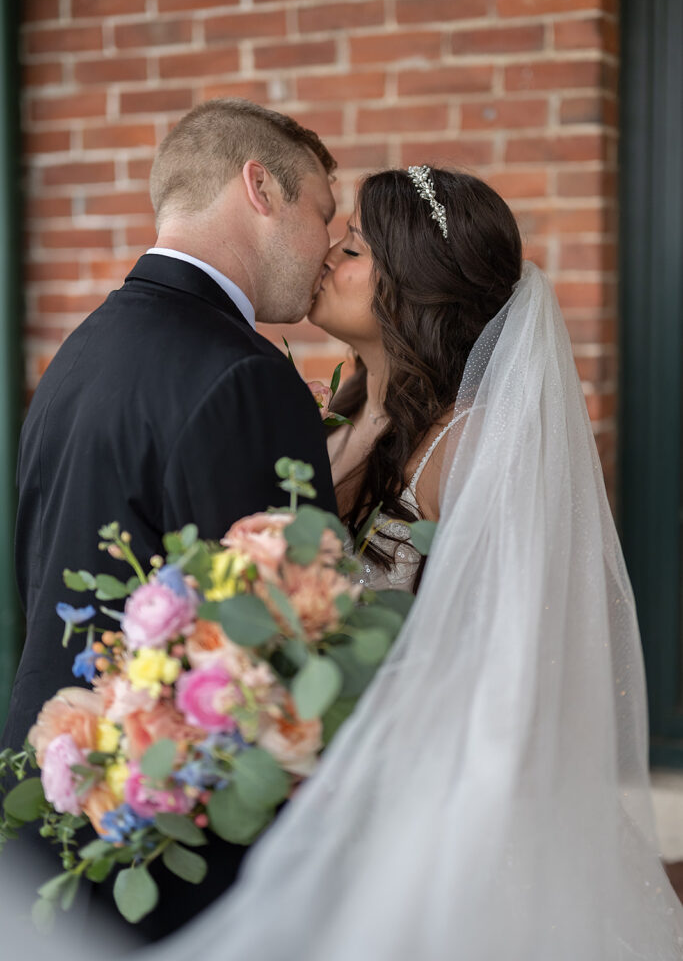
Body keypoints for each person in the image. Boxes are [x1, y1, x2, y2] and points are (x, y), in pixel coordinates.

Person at [142, 166, 683, 959]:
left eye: (354, 247)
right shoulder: (339, 422)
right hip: (332, 797)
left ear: (415, 287)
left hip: (430, 813)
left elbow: (508, 665)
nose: (327, 255)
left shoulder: (476, 445)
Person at [2, 98, 338, 941]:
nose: (328, 245)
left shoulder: (80, 352)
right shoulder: (243, 378)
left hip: (53, 810)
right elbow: (281, 652)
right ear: (260, 187)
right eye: (322, 213)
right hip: (172, 852)